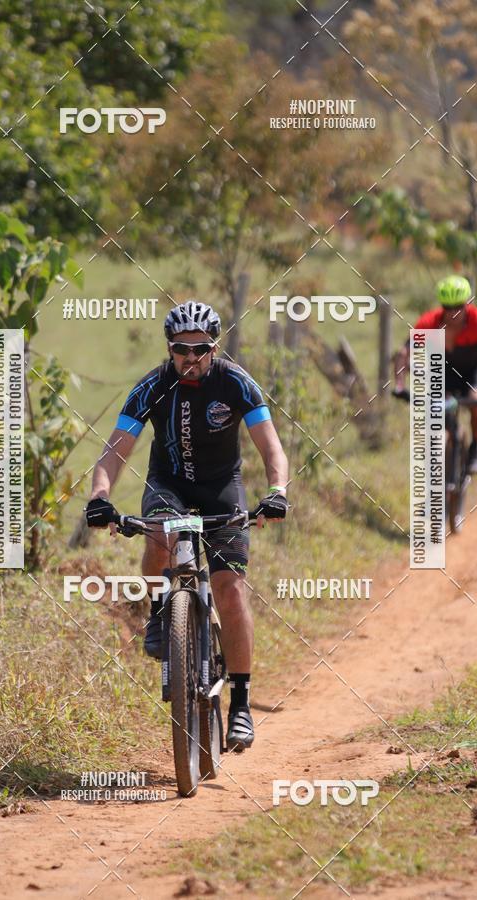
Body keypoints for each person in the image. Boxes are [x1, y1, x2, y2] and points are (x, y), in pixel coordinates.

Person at [85, 300, 289, 751]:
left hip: (222, 490)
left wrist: (276, 490)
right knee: (160, 532)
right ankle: (160, 610)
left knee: (230, 588)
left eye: (200, 348)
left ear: (214, 347)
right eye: (181, 348)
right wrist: (100, 496)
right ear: (170, 347)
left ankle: (240, 702)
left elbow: (272, 448)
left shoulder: (236, 383)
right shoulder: (152, 386)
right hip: (168, 485)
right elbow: (115, 451)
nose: (190, 357)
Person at [394, 275, 477, 474]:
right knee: (433, 414)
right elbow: (404, 353)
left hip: (472, 374)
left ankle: (475, 447)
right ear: (441, 306)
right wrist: (400, 385)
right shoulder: (429, 322)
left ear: (467, 304)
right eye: (448, 307)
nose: (453, 312)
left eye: (459, 307)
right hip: (440, 374)